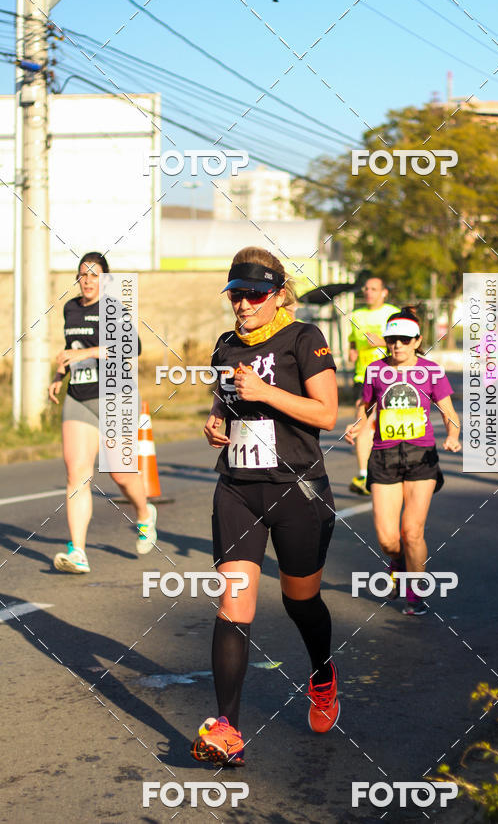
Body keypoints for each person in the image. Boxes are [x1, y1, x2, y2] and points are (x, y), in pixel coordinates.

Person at [190, 246, 339, 768]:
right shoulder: (226, 346)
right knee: (234, 604)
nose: (243, 304)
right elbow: (225, 405)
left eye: (253, 294)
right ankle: (227, 728)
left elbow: (326, 413)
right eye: (236, 294)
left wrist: (268, 392)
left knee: (300, 601)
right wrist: (216, 425)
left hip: (298, 490)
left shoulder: (304, 338)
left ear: (278, 295)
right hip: (237, 487)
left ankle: (322, 676)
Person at [344, 309, 461, 615]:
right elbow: (366, 407)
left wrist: (453, 435)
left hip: (421, 457)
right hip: (384, 457)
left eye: (404, 340)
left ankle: (415, 591)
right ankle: (396, 563)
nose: (397, 346)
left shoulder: (431, 371)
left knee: (412, 531)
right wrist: (357, 426)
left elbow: (448, 410)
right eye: (392, 339)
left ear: (418, 340)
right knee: (388, 539)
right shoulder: (374, 370)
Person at [49, 252, 157, 574]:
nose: (88, 281)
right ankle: (78, 551)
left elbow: (132, 348)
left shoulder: (114, 309)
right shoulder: (70, 308)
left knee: (121, 474)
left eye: (95, 275)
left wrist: (93, 351)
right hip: (79, 396)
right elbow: (73, 348)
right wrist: (59, 375)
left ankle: (144, 513)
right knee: (77, 475)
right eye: (83, 274)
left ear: (105, 280)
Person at [348, 277, 400, 496]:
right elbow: (353, 339)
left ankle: (395, 468)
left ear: (384, 292)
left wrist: (382, 342)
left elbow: (406, 343)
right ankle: (364, 475)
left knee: (392, 425)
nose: (368, 292)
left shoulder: (393, 313)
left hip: (390, 376)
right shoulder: (356, 315)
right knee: (362, 424)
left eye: (374, 289)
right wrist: (352, 349)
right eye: (366, 289)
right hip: (364, 377)